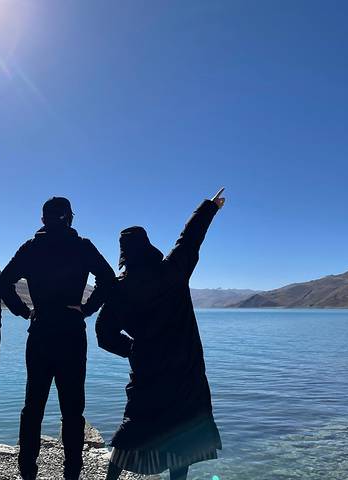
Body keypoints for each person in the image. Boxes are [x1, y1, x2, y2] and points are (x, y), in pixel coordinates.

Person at [95, 189, 226, 480]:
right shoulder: (173, 271)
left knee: (135, 424)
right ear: (148, 246)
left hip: (147, 368)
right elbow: (189, 239)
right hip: (184, 368)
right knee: (182, 429)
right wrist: (209, 207)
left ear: (124, 254)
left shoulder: (120, 290)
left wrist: (132, 349)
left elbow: (103, 334)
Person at [0, 197, 116, 480]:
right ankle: (72, 473)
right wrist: (87, 309)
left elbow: (2, 282)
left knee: (33, 407)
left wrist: (24, 311)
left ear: (43, 220)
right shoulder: (82, 246)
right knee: (73, 409)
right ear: (70, 218)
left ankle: (28, 472)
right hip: (72, 333)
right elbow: (108, 279)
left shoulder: (31, 247)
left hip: (40, 332)